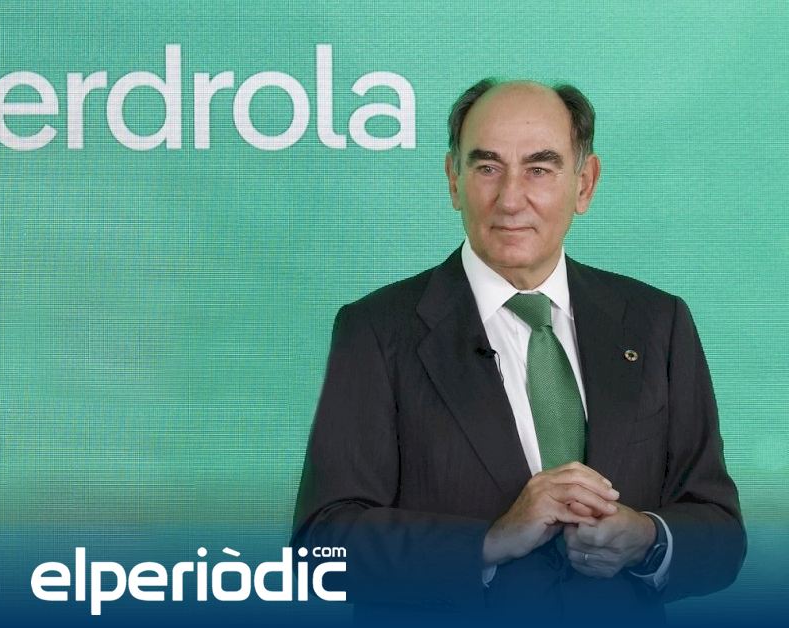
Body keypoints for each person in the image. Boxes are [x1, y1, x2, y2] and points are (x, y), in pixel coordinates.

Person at [291, 79, 745, 622]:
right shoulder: (376, 330)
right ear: (453, 181)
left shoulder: (657, 323)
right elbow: (321, 550)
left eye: (539, 169)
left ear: (584, 184)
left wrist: (647, 539)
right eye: (487, 168)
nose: (510, 199)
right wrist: (488, 542)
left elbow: (720, 534)